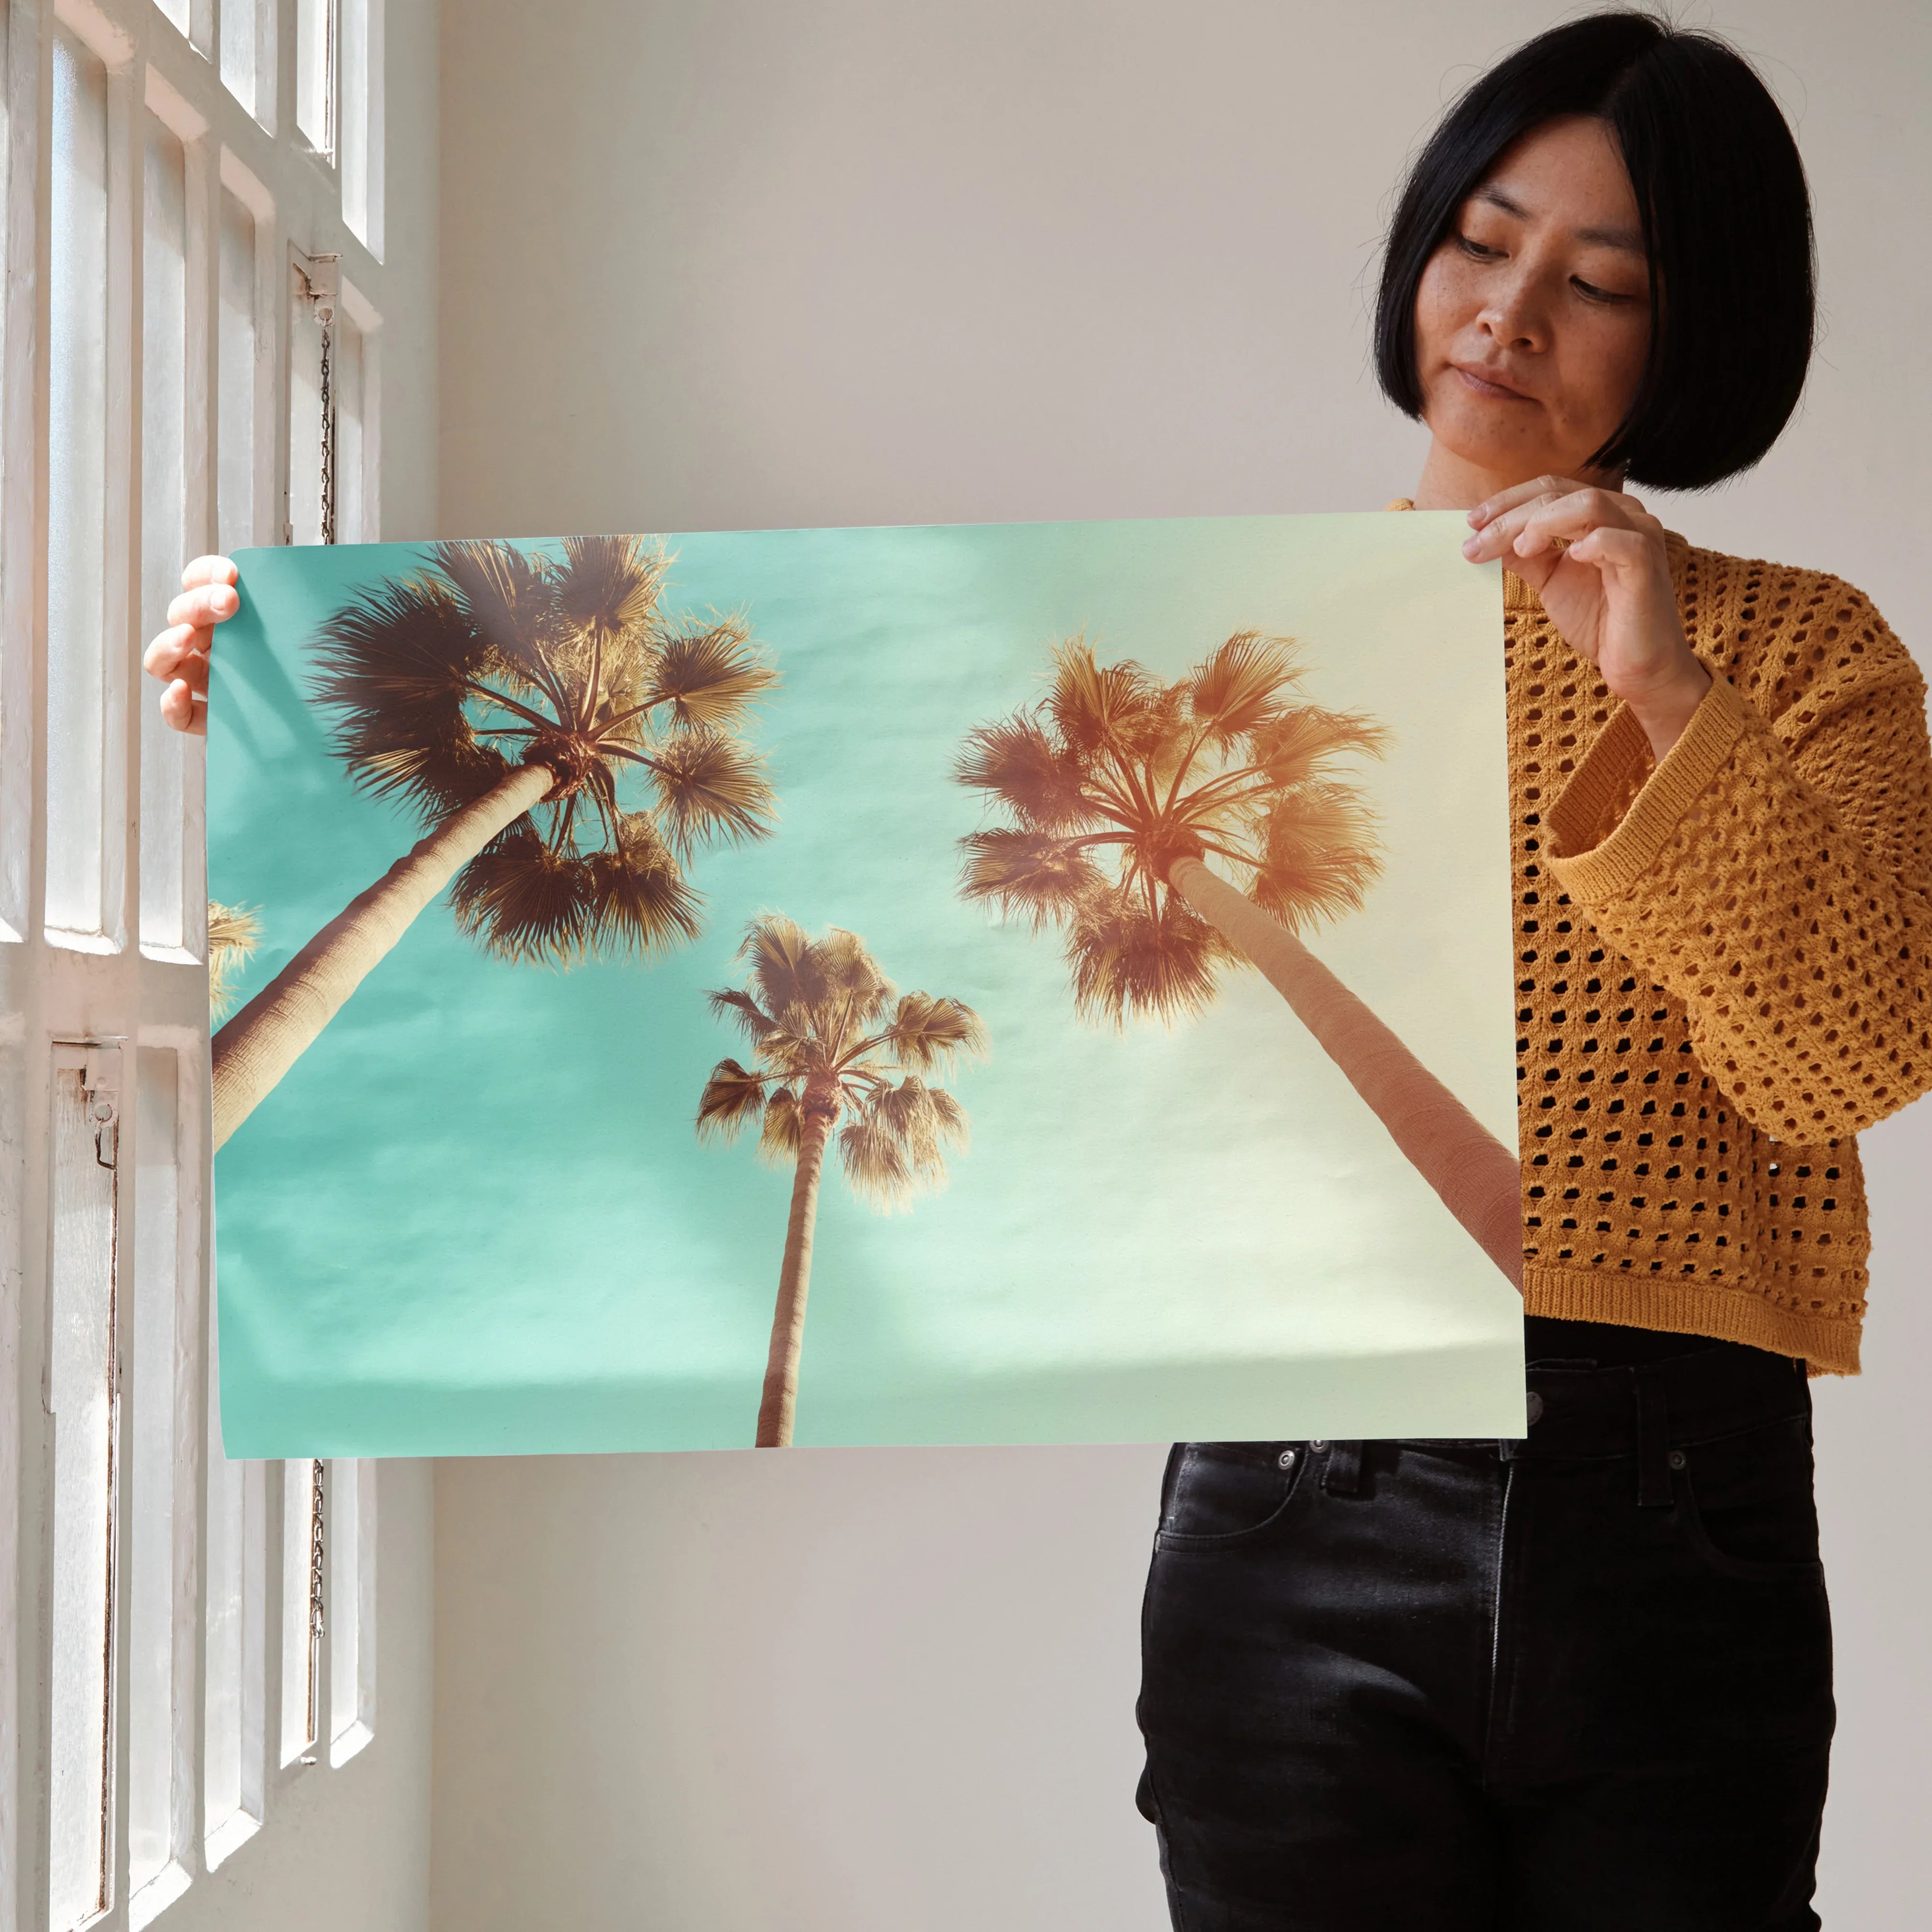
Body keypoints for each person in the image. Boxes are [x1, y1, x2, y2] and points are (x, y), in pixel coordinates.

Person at [147, 12, 1930, 1928]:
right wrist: (288, 700)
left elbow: (1839, 1056)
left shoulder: (1803, 658)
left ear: (1698, 337)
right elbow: (842, 811)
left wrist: (1657, 680)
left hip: (1676, 1508)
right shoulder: (1222, 645)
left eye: (1598, 286)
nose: (1506, 316)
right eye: (1480, 242)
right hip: (1290, 1487)